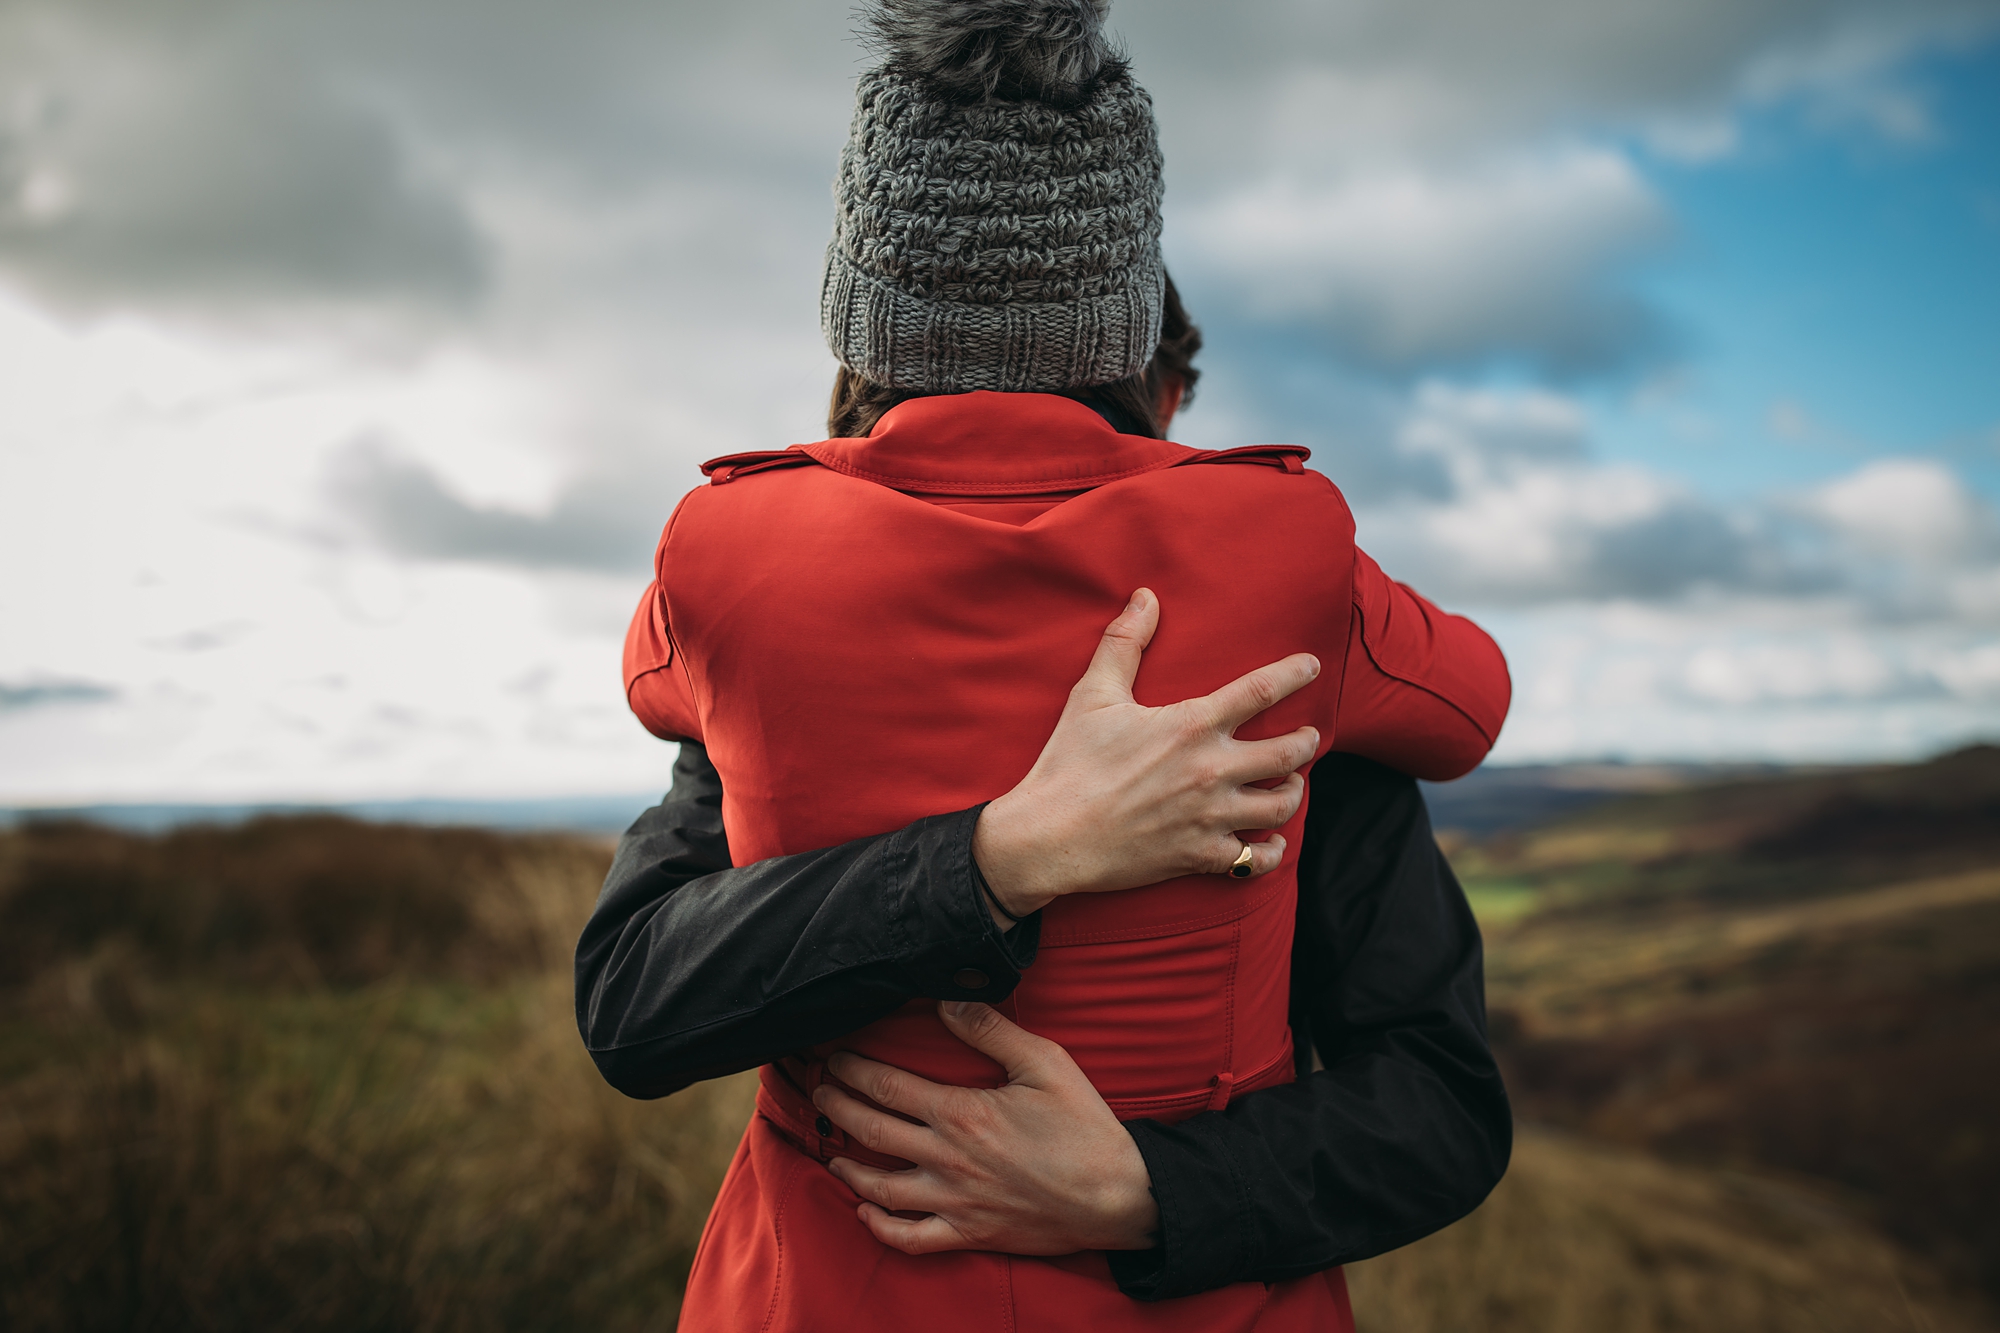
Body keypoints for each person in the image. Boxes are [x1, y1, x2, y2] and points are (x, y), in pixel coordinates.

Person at [577, 2, 1510, 1327]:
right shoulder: (1290, 609)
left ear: (861, 331)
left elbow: (634, 998)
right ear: (1136, 357)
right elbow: (1441, 1096)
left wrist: (1136, 1184)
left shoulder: (733, 578)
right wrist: (1003, 851)